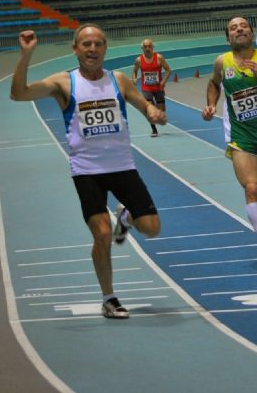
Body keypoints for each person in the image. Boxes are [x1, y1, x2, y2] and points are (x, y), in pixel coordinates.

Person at [10, 24, 167, 319]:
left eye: (97, 44)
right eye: (86, 44)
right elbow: (18, 94)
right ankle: (109, 298)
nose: (92, 49)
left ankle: (127, 216)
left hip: (123, 167)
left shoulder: (118, 80)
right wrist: (26, 55)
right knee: (102, 234)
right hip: (87, 171)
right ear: (75, 49)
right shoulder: (63, 83)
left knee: (152, 229)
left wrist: (153, 112)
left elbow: (143, 105)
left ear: (105, 48)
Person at [202, 16, 257, 264]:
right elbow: (213, 83)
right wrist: (210, 105)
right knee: (250, 187)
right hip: (241, 138)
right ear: (228, 37)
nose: (239, 29)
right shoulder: (222, 62)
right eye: (233, 27)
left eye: (243, 26)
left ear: (252, 34)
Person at [131, 39, 171, 137]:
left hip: (158, 88)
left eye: (149, 46)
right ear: (142, 48)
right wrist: (134, 79)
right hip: (146, 88)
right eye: (145, 47)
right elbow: (134, 71)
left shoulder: (159, 58)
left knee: (161, 111)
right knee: (149, 110)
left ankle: (156, 113)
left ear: (153, 47)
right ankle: (154, 130)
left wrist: (163, 82)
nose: (147, 48)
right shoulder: (139, 60)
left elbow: (168, 70)